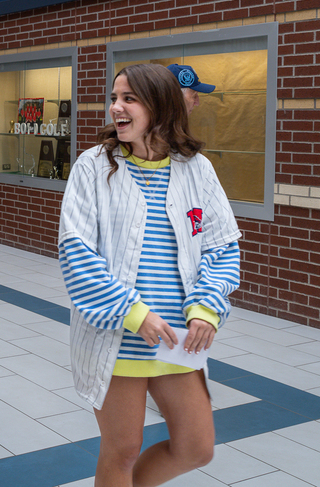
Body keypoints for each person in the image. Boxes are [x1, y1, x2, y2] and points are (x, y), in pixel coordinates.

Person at [58, 63, 240, 487]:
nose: (115, 107)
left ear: (160, 106)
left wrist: (207, 308)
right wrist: (134, 313)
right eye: (114, 97)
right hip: (120, 335)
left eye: (129, 99)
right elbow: (77, 252)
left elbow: (221, 245)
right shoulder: (93, 166)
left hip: (178, 338)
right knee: (122, 450)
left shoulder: (197, 168)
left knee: (197, 446)